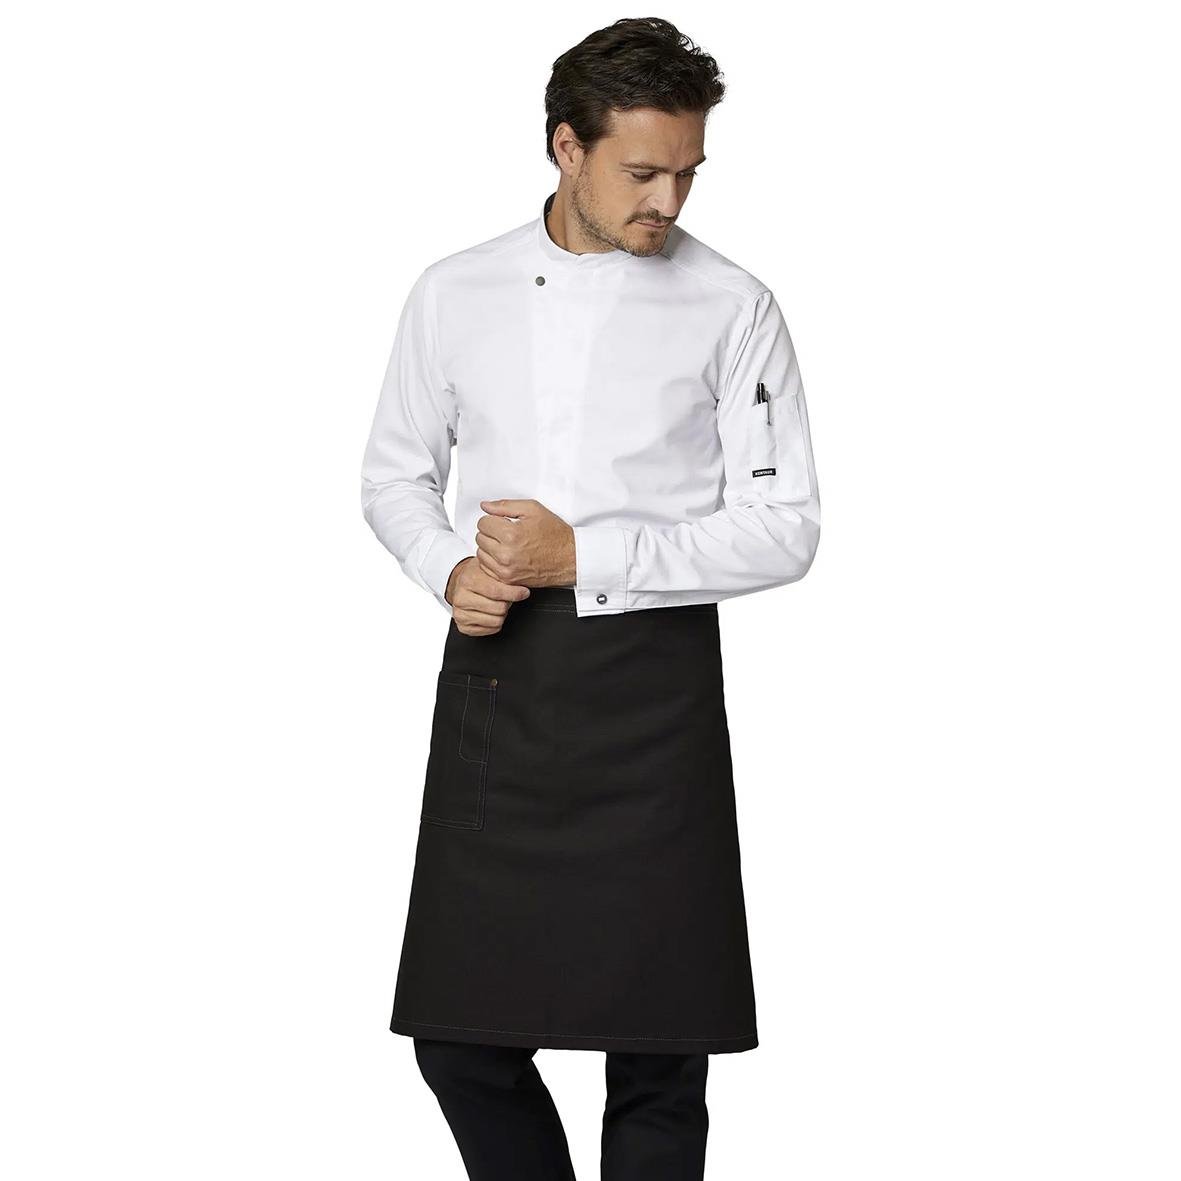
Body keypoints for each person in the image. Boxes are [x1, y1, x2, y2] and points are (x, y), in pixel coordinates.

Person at [360, 16, 821, 1180]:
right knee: (458, 1038)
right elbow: (394, 476)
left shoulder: (733, 304)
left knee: (657, 1056)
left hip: (653, 694)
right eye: (642, 171)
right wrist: (445, 568)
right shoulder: (452, 290)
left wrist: (589, 556)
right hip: (499, 683)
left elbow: (786, 527)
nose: (668, 200)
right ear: (565, 146)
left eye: (687, 172)